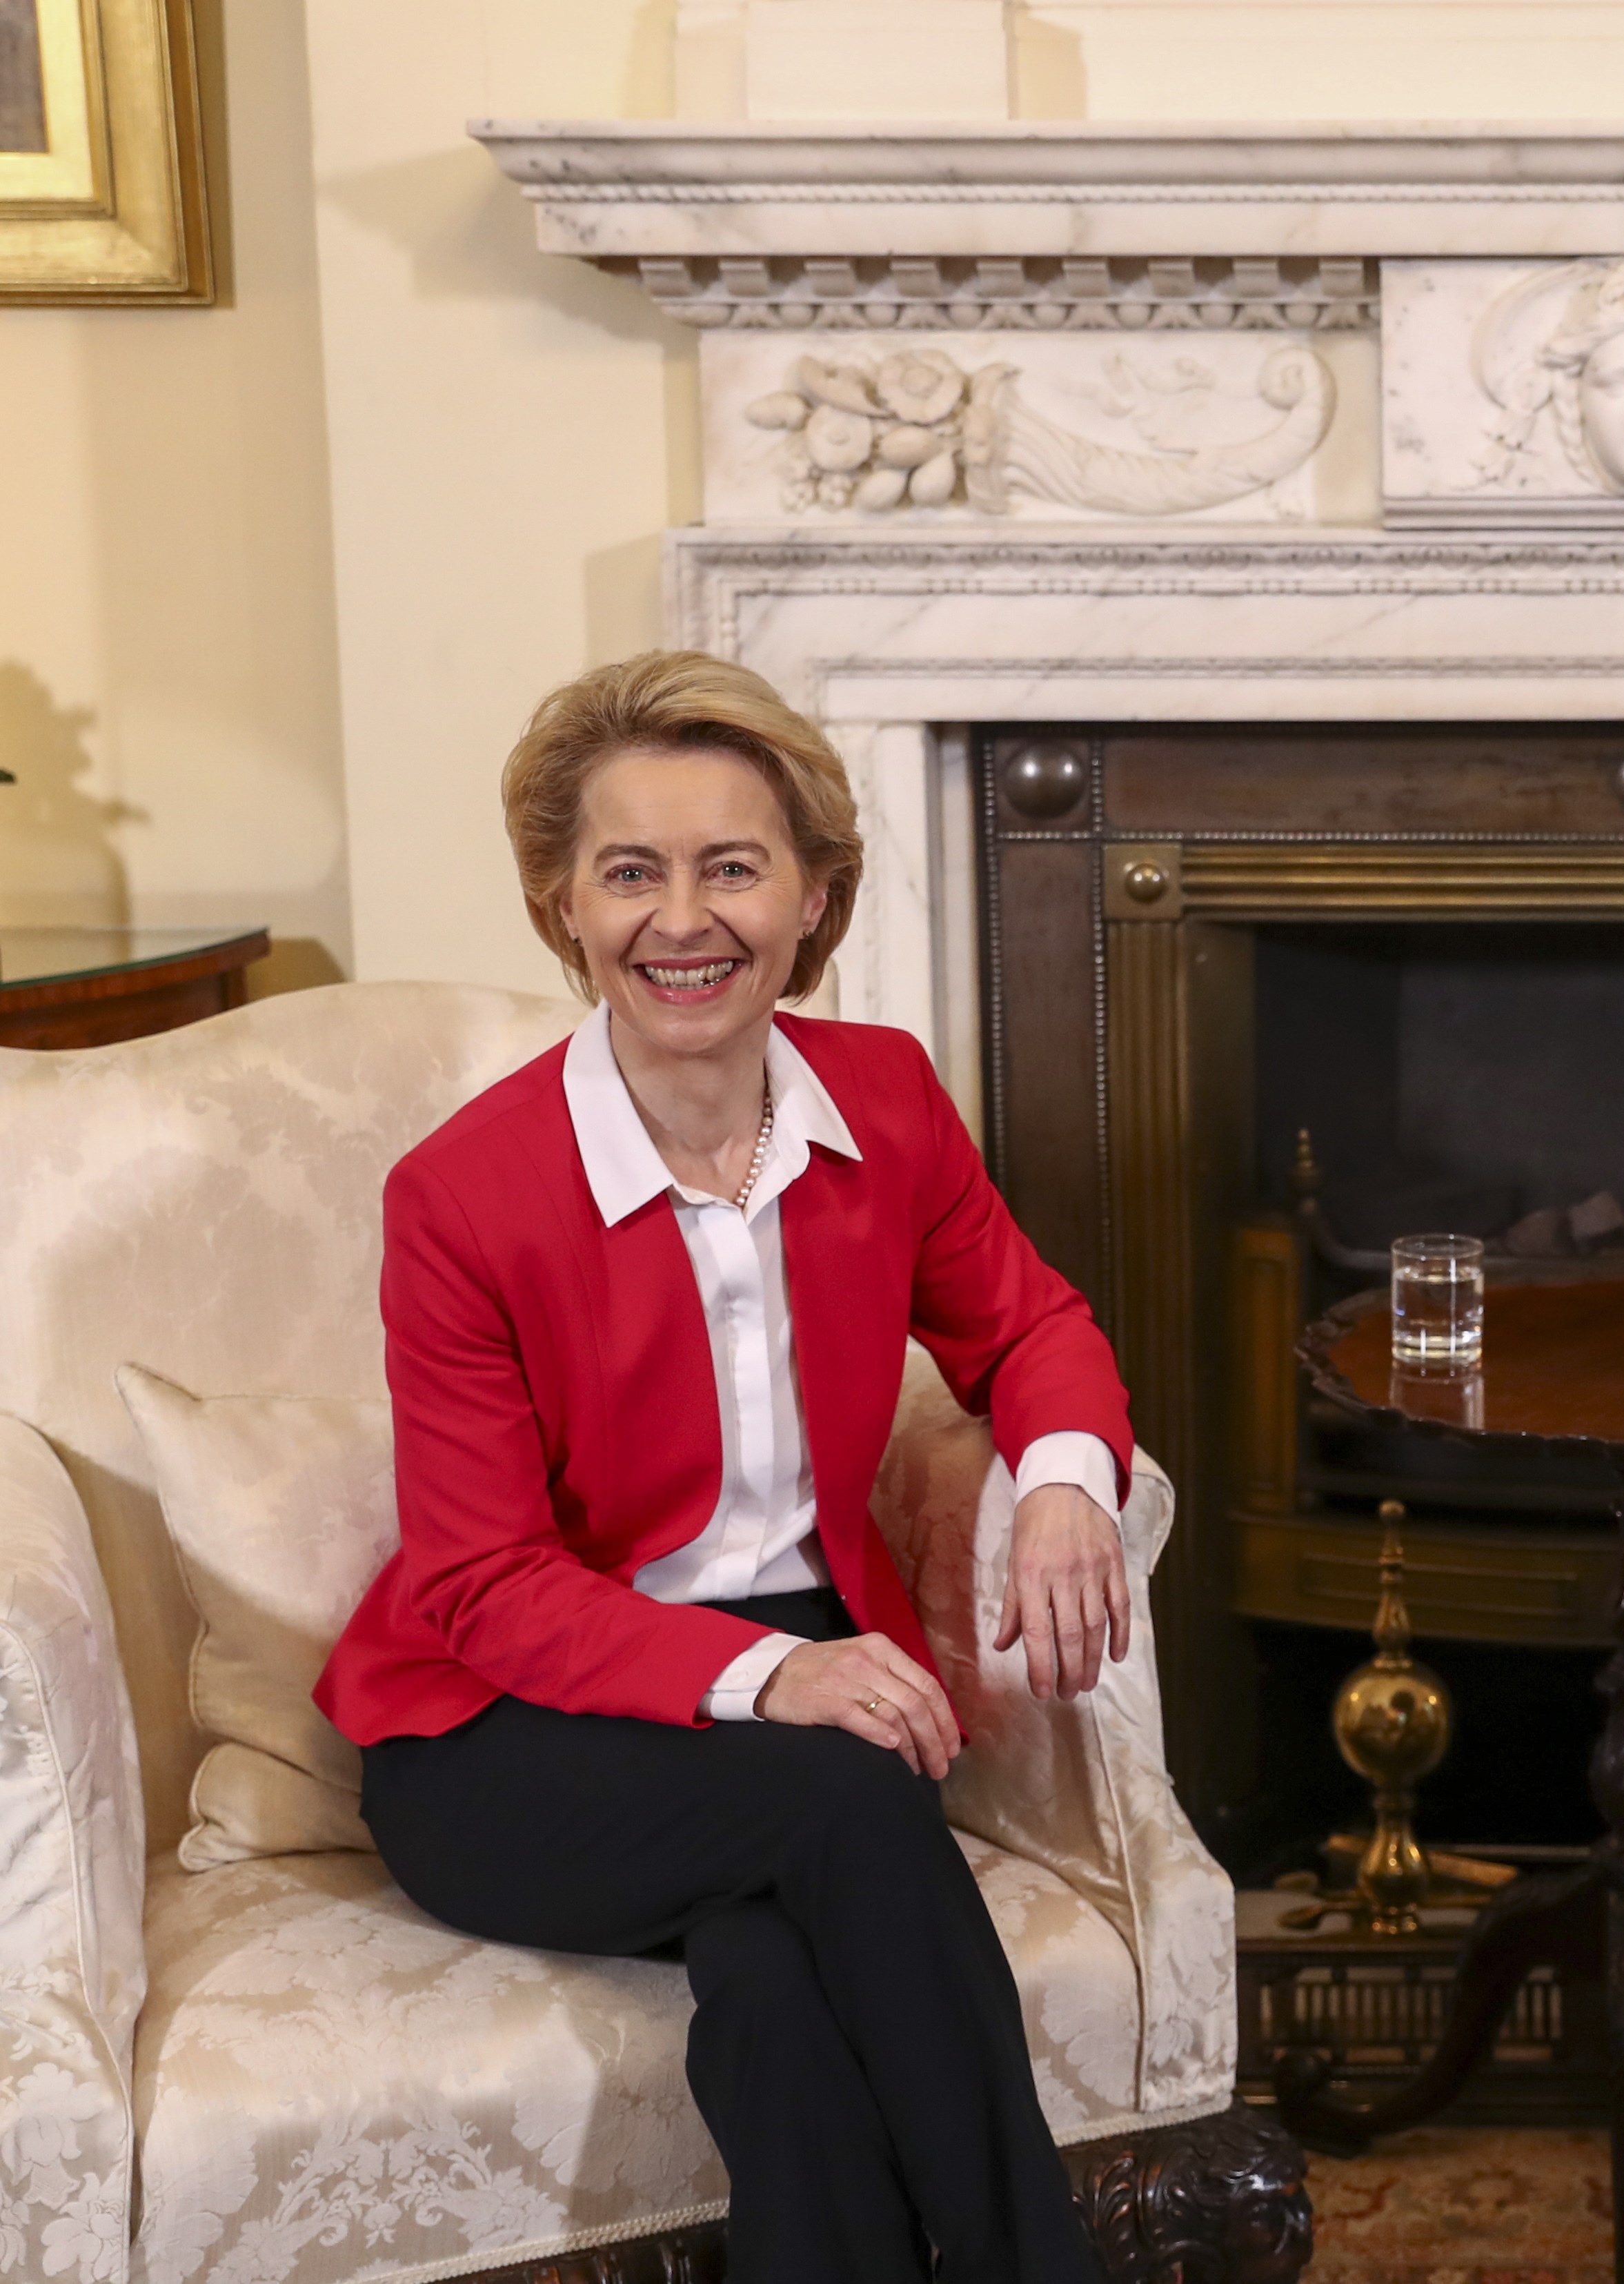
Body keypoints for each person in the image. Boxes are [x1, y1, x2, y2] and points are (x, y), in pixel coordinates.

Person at [316, 651, 1139, 2284]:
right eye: (629, 870)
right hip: (500, 1741)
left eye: (730, 866)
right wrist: (777, 1674)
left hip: (787, 1740)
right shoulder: (463, 1198)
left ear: (812, 895)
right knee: (845, 1797)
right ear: (564, 905)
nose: (677, 918)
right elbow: (479, 1583)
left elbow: (1031, 1323)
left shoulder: (887, 1103)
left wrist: (1058, 1477)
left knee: (772, 1983)